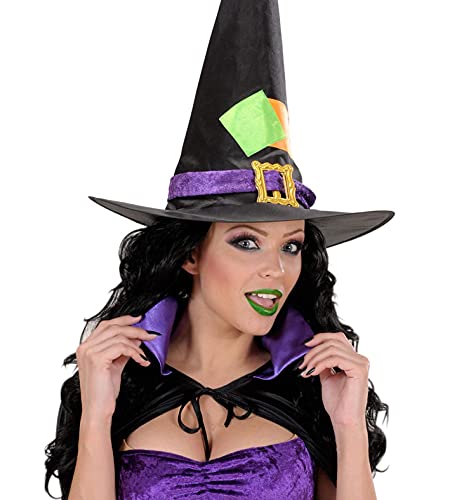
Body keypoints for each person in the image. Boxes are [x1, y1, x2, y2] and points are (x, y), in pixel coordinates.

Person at [44, 1, 394, 499]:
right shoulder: (121, 381)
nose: (276, 269)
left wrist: (349, 426)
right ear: (190, 255)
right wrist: (97, 414)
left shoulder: (314, 387)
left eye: (291, 246)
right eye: (247, 242)